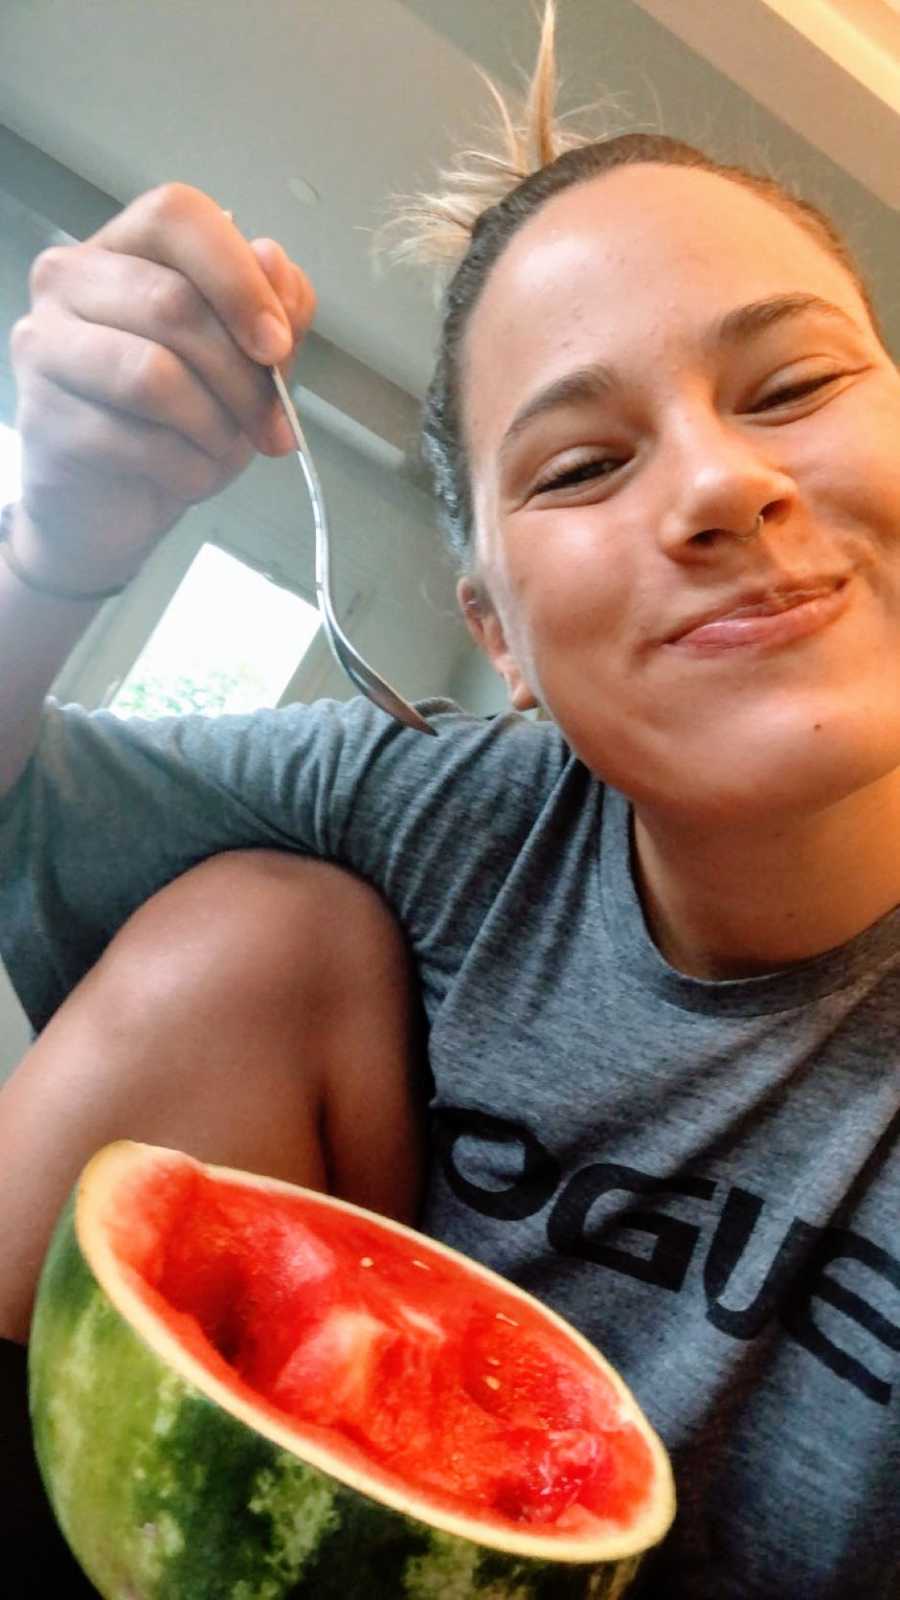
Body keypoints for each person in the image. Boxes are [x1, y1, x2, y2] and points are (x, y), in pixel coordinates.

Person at [0, 4, 898, 1594]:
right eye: (579, 466)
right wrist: (50, 555)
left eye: (792, 384)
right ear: (497, 635)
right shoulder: (442, 814)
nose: (715, 485)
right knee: (260, 935)